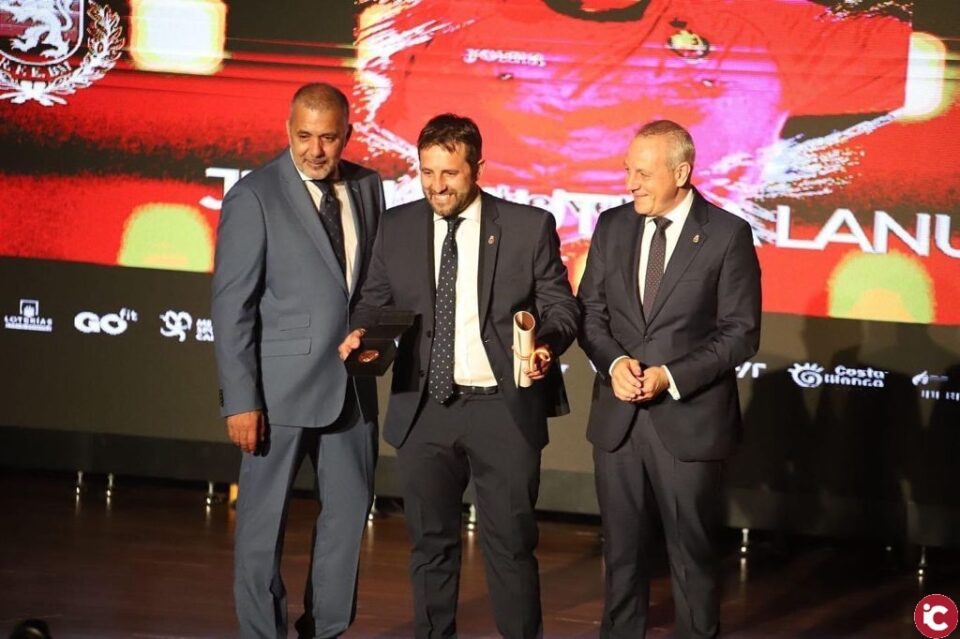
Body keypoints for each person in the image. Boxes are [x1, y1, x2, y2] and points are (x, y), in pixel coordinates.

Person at [339, 114, 579, 638]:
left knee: (510, 546)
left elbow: (563, 307)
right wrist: (361, 335)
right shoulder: (397, 227)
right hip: (425, 409)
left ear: (478, 169)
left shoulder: (525, 227)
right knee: (430, 545)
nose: (436, 186)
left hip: (503, 409)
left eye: (449, 173)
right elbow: (374, 303)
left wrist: (545, 344)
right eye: (427, 172)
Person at [211, 82, 386, 639]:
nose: (316, 149)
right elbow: (231, 305)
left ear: (347, 136)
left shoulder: (368, 186)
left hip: (352, 391)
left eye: (328, 137)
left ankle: (326, 631)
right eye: (304, 136)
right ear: (288, 131)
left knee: (345, 523)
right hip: (277, 393)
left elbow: (372, 288)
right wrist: (241, 400)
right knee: (262, 530)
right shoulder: (255, 195)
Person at [577, 120, 761, 638]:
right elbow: (590, 311)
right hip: (618, 422)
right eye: (627, 171)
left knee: (691, 555)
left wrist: (669, 377)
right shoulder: (612, 226)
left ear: (681, 172)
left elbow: (740, 333)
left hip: (689, 421)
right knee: (622, 555)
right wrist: (614, 364)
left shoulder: (727, 235)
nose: (630, 183)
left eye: (642, 172)